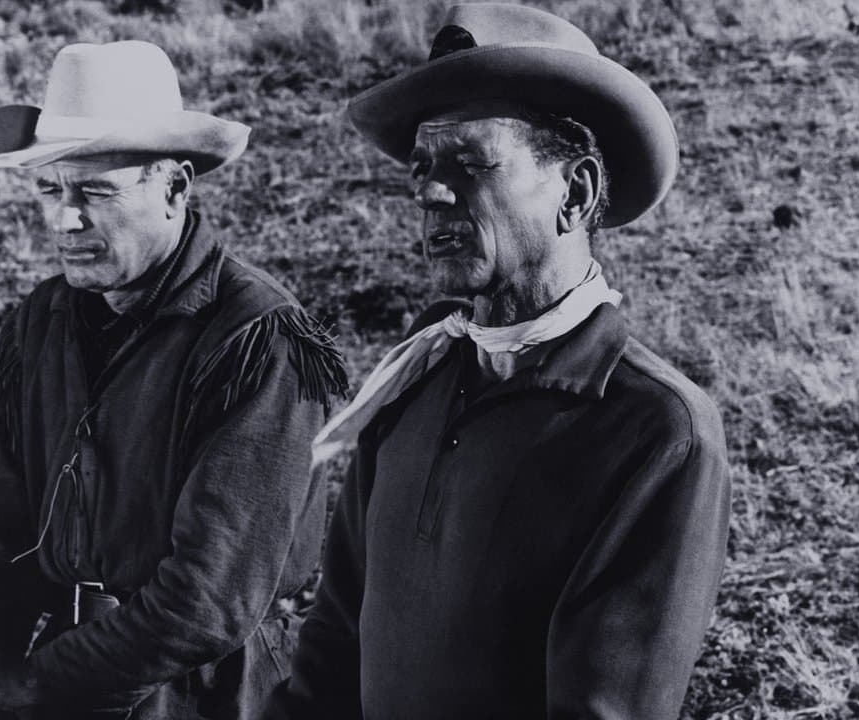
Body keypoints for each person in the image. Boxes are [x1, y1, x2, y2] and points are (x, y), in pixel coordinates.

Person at [266, 4, 730, 719]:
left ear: (574, 193)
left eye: (471, 162)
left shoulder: (656, 431)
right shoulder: (416, 377)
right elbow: (335, 642)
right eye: (423, 168)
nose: (430, 192)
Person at [0, 40, 346, 720]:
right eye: (50, 189)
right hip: (67, 675)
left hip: (208, 695)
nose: (65, 219)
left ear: (175, 188)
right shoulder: (41, 321)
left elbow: (207, 601)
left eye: (95, 190)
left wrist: (27, 684)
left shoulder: (258, 339)